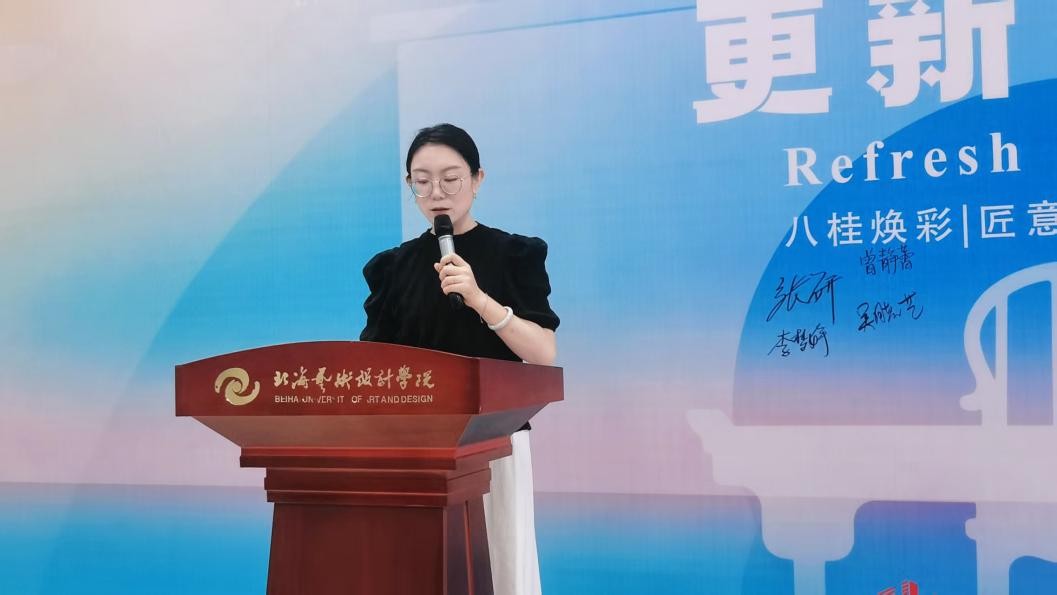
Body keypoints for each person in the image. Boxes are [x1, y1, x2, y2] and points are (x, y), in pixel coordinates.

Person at [360, 123, 559, 595]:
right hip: (416, 447)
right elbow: (373, 366)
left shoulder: (514, 254)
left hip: (494, 444)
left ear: (477, 179)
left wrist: (478, 299)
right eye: (422, 181)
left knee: (497, 570)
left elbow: (543, 354)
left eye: (450, 179)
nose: (437, 192)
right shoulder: (391, 267)